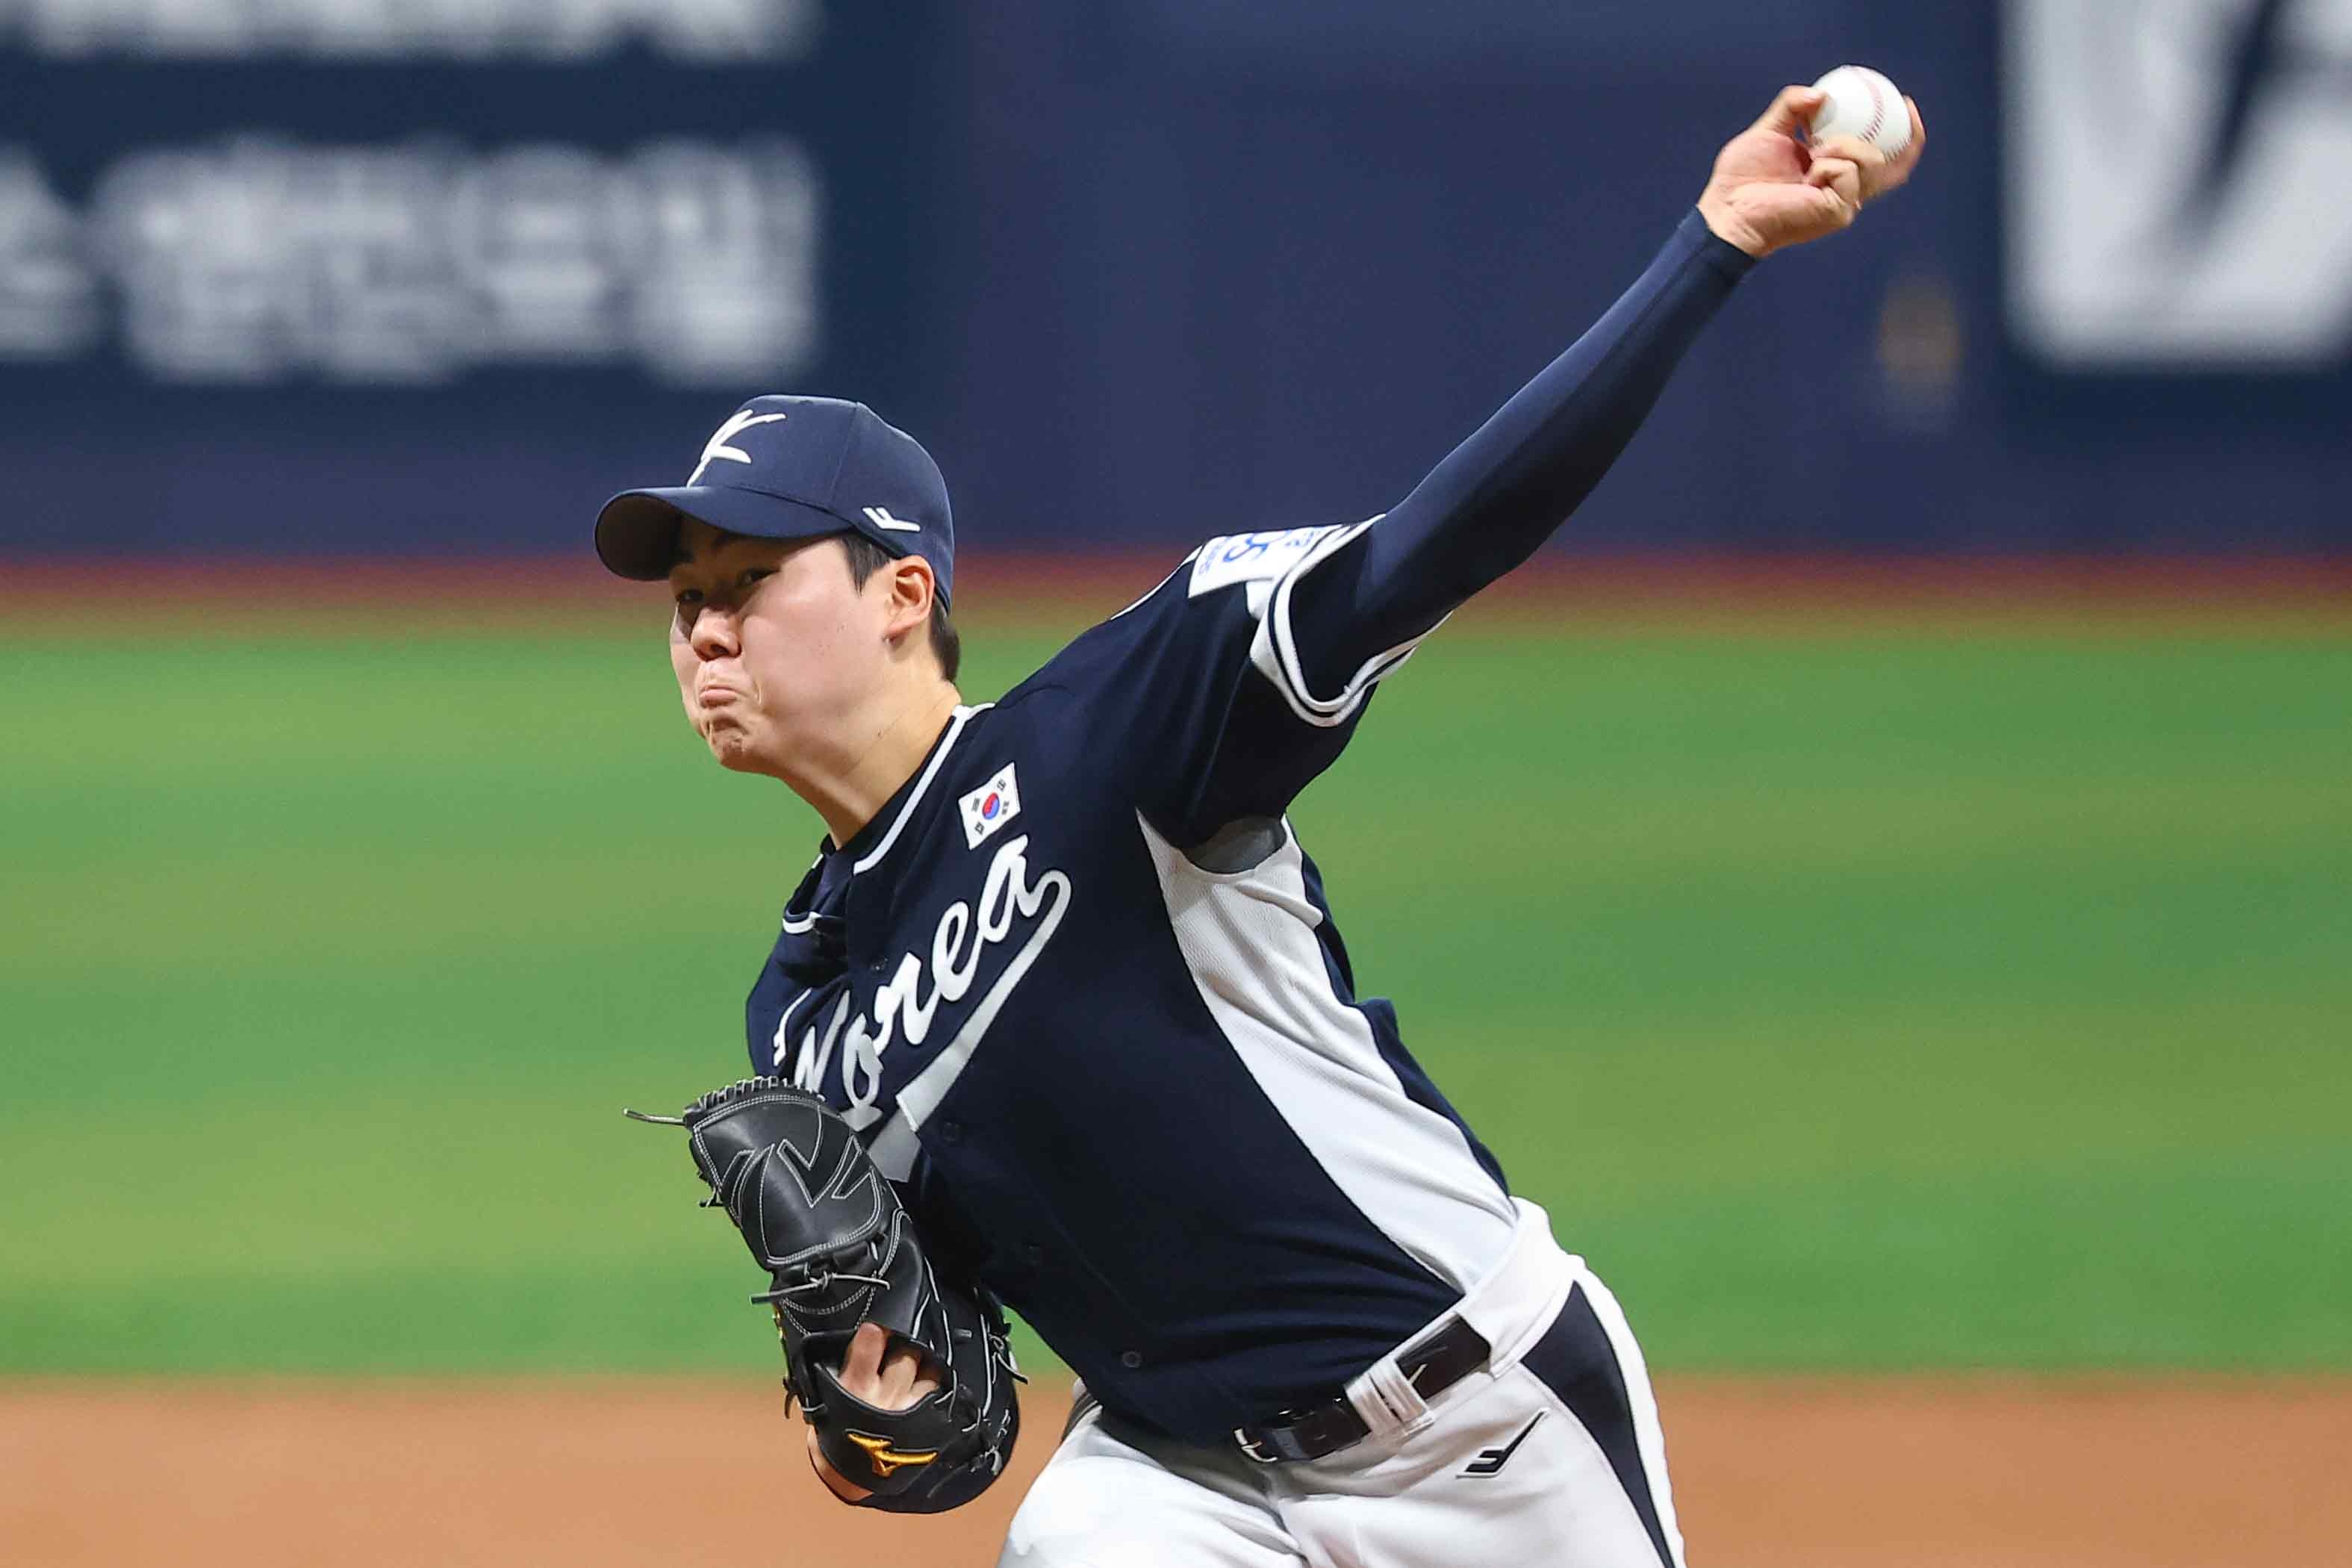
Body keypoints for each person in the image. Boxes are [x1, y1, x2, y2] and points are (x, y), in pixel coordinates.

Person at [595, 84, 1924, 1568]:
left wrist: (1714, 242)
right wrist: (868, 1422)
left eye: (749, 581)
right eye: (687, 601)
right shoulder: (806, 1014)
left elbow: (1435, 543)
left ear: (903, 596)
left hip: (1475, 1419)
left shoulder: (1120, 728)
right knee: (1070, 1540)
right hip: (1177, 1484)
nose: (707, 632)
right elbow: (932, 1389)